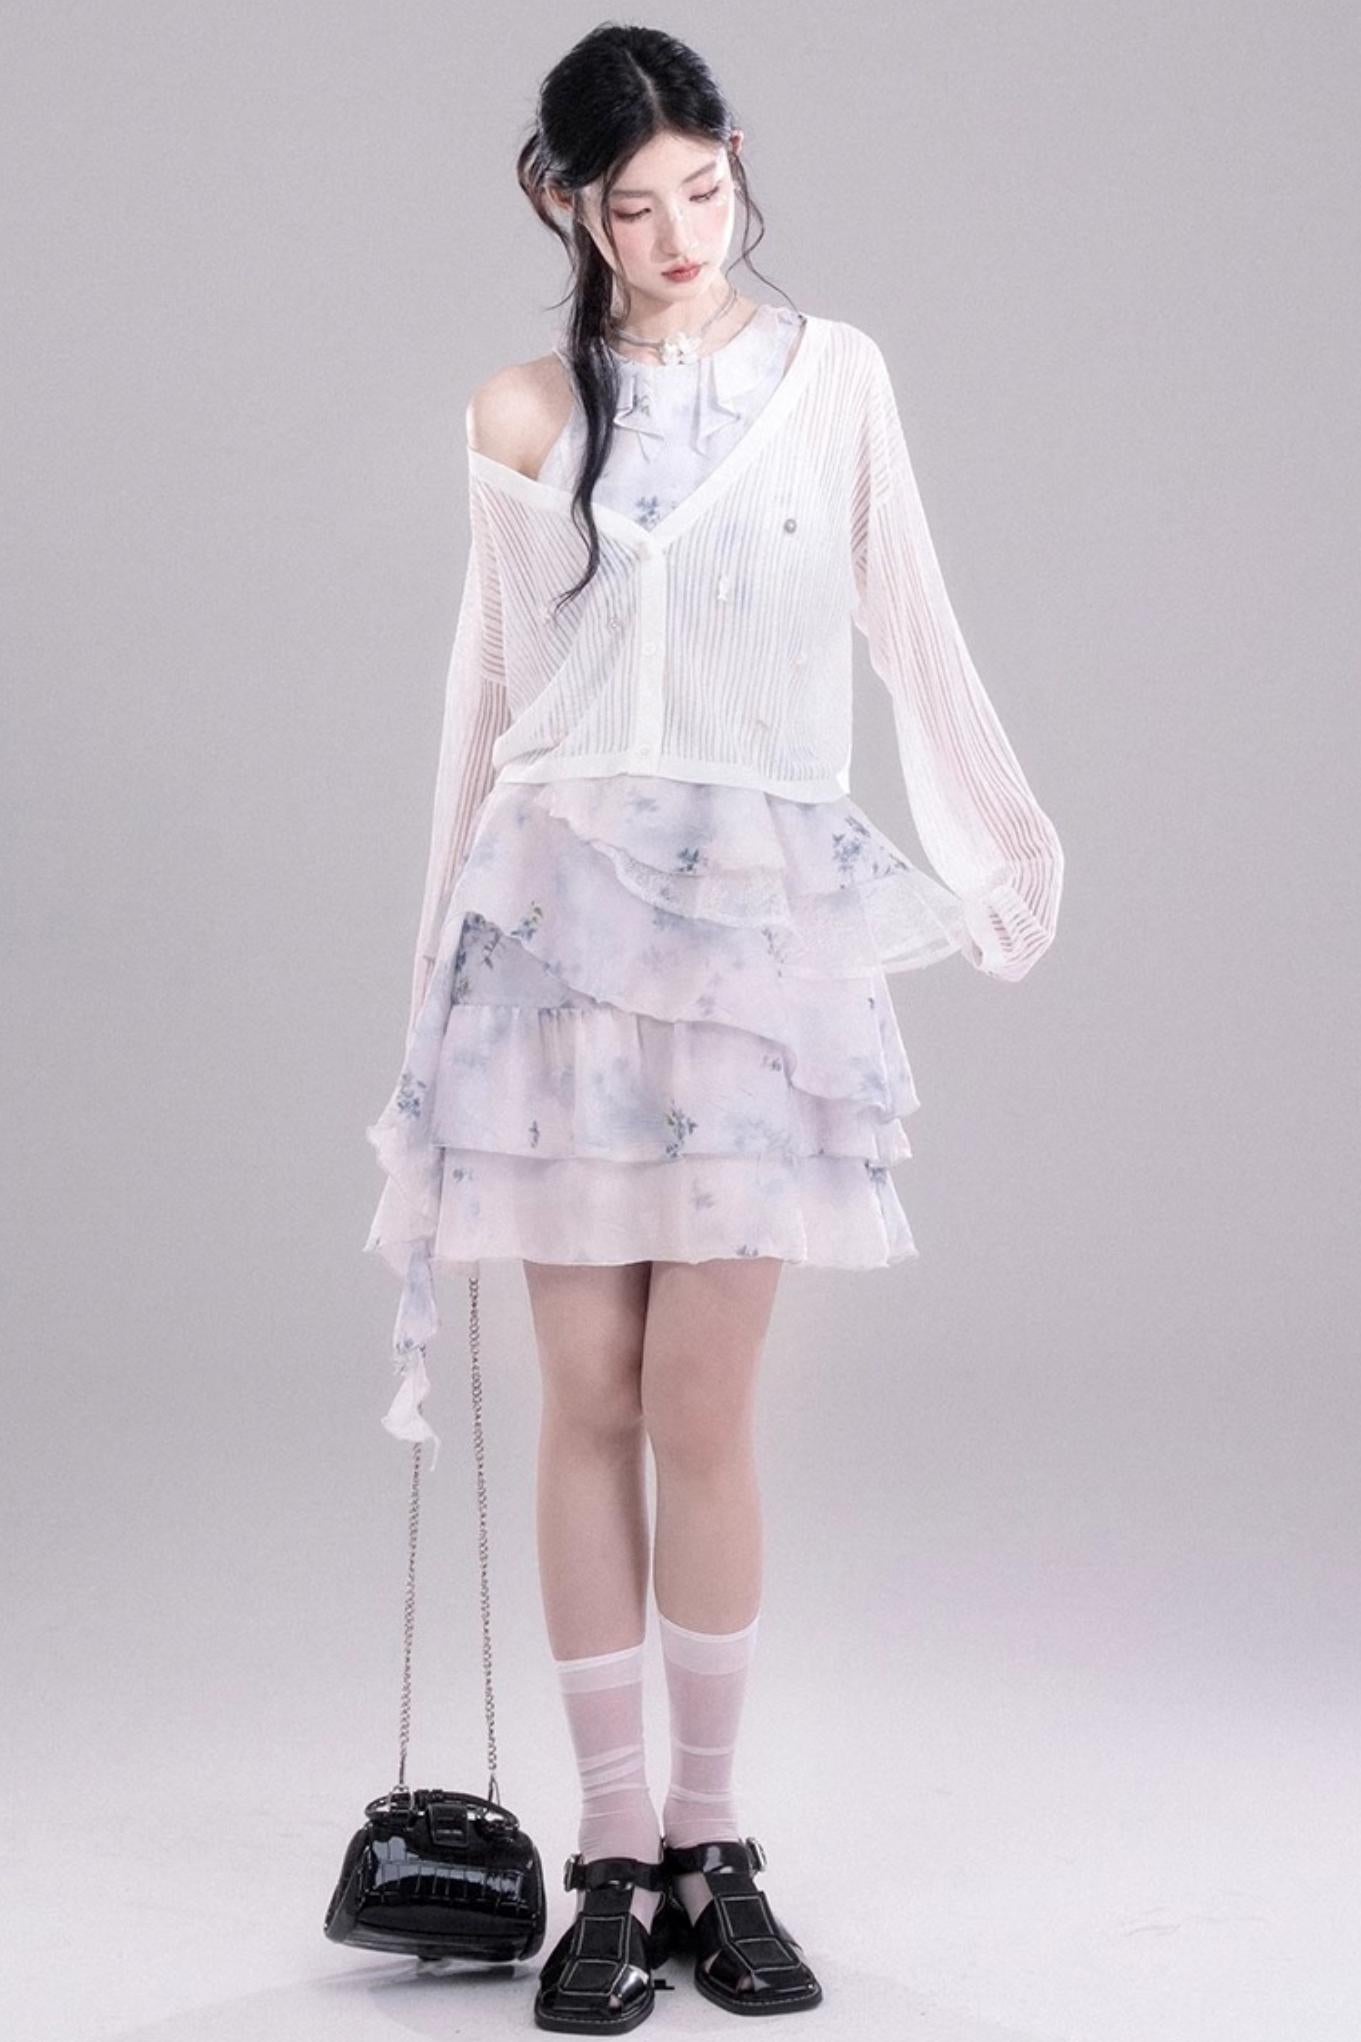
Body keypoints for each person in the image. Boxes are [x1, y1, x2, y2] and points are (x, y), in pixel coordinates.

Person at [363, 23, 1064, 2032]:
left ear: (739, 163)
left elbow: (909, 618)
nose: (681, 234)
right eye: (635, 204)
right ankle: (611, 1853)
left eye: (705, 189)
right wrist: (425, 999)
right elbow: (489, 707)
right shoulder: (517, 413)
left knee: (702, 1402)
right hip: (552, 936)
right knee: (586, 1395)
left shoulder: (834, 380)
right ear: (559, 203)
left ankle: (709, 1839)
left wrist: (999, 845)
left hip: (754, 941)